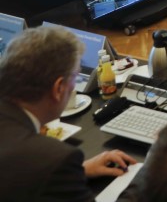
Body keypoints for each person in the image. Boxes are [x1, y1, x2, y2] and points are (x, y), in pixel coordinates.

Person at [0, 25, 136, 200]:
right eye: (76, 77)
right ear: (58, 88)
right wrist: (147, 177)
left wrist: (76, 172)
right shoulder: (54, 158)